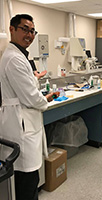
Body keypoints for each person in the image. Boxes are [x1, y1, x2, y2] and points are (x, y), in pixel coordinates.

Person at [0, 14, 59, 200]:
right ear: (12, 29)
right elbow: (31, 98)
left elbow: (22, 87)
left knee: (29, 179)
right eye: (25, 29)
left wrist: (34, 78)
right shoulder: (14, 58)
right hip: (21, 126)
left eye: (32, 31)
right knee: (27, 181)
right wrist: (47, 99)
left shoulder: (18, 55)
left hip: (23, 121)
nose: (30, 35)